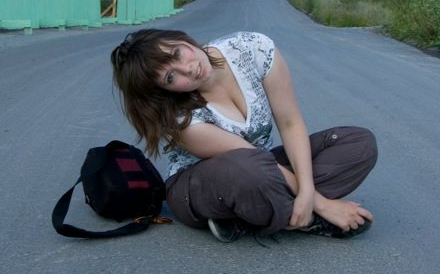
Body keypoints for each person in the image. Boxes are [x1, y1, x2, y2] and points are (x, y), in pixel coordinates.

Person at [111, 29, 378, 243]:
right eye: (171, 77)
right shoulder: (182, 120)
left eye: (177, 53)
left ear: (181, 39)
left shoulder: (252, 49)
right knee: (250, 169)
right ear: (164, 91)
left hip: (261, 170)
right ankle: (302, 219)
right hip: (201, 187)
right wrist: (324, 205)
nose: (188, 69)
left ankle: (249, 216)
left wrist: (308, 192)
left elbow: (290, 123)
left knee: (359, 144)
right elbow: (247, 156)